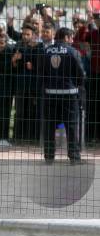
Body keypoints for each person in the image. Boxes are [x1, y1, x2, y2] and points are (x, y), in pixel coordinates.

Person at [40, 28, 85, 163]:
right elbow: (81, 74)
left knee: (49, 127)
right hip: (69, 95)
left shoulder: (46, 51)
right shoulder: (73, 52)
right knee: (71, 126)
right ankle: (74, 157)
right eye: (71, 37)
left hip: (50, 94)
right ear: (66, 37)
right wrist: (76, 84)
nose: (72, 40)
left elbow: (41, 74)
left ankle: (49, 156)